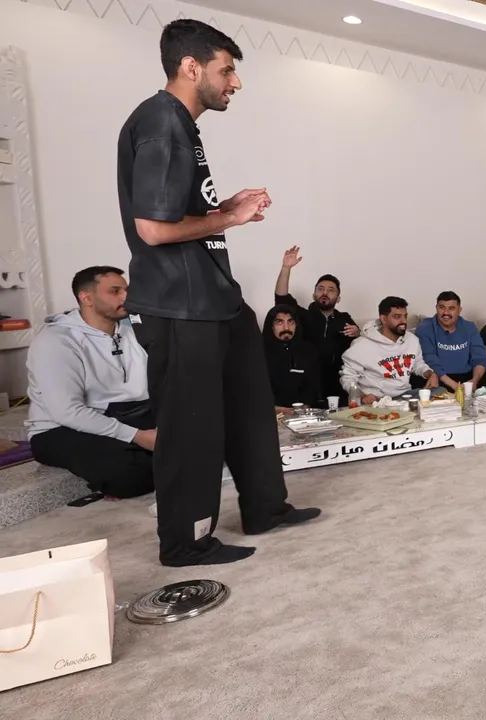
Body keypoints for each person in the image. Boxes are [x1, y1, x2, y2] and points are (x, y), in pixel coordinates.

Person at [117, 19, 318, 566]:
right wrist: (228, 219)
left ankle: (265, 507)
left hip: (215, 297)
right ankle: (186, 542)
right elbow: (152, 229)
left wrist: (220, 208)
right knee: (192, 429)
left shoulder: (181, 126)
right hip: (180, 304)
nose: (236, 82)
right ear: (191, 67)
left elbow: (175, 214)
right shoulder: (162, 123)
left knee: (250, 405)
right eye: (227, 70)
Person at [25, 267, 156, 499]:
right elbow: (67, 412)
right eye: (115, 291)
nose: (126, 297)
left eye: (126, 290)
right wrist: (138, 436)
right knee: (130, 475)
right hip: (60, 429)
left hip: (126, 415)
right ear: (86, 298)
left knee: (201, 429)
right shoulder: (56, 341)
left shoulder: (134, 331)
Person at [274, 246, 358, 404]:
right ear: (314, 295)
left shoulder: (344, 319)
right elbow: (281, 298)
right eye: (320, 289)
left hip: (338, 383)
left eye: (331, 290)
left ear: (338, 298)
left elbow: (359, 348)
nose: (325, 292)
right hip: (308, 382)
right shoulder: (301, 316)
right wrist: (286, 268)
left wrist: (357, 333)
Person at [340, 296, 436, 404]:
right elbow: (348, 378)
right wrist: (362, 396)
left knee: (440, 392)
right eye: (397, 317)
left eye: (405, 316)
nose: (403, 321)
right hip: (378, 400)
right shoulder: (361, 345)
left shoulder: (412, 340)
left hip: (405, 395)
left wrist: (430, 374)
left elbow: (417, 364)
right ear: (384, 319)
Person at [415, 291, 486, 392]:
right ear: (436, 308)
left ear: (459, 310)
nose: (446, 313)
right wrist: (456, 386)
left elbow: (480, 358)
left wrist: (474, 381)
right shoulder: (425, 328)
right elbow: (430, 360)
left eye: (451, 308)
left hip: (466, 378)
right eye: (442, 307)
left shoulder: (469, 327)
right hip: (440, 378)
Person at [261, 304, 325, 411]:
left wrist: (302, 408)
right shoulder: (258, 352)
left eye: (291, 322)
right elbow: (255, 390)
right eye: (279, 322)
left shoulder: (308, 350)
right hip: (268, 412)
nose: (286, 328)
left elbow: (312, 387)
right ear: (271, 326)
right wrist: (277, 409)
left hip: (301, 412)